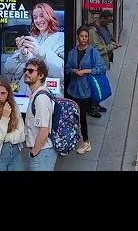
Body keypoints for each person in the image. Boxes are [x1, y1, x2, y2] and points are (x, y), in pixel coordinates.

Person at [3, 3, 65, 96]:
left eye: (42, 16)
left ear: (50, 16)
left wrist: (40, 53)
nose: (38, 20)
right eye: (35, 17)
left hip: (48, 95)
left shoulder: (60, 38)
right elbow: (9, 68)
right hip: (25, 95)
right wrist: (22, 54)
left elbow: (61, 72)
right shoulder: (32, 39)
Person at [64, 26, 107, 155]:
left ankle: (86, 141)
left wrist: (86, 71)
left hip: (86, 90)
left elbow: (101, 68)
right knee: (72, 116)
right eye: (82, 36)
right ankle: (73, 139)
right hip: (73, 90)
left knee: (82, 117)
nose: (84, 39)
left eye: (86, 36)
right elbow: (67, 69)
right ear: (78, 37)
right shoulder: (72, 53)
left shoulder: (93, 52)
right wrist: (74, 71)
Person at [24, 58, 58, 171]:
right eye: (26, 70)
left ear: (41, 75)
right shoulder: (38, 94)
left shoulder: (41, 98)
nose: (26, 73)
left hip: (42, 153)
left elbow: (44, 130)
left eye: (30, 71)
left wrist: (34, 152)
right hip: (42, 152)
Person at [87, 10, 120, 116]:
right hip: (96, 64)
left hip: (102, 63)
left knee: (100, 86)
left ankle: (96, 104)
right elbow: (96, 48)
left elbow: (106, 38)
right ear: (102, 18)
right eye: (107, 21)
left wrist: (113, 42)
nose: (108, 24)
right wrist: (111, 47)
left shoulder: (103, 27)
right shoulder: (93, 31)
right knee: (95, 86)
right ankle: (92, 107)